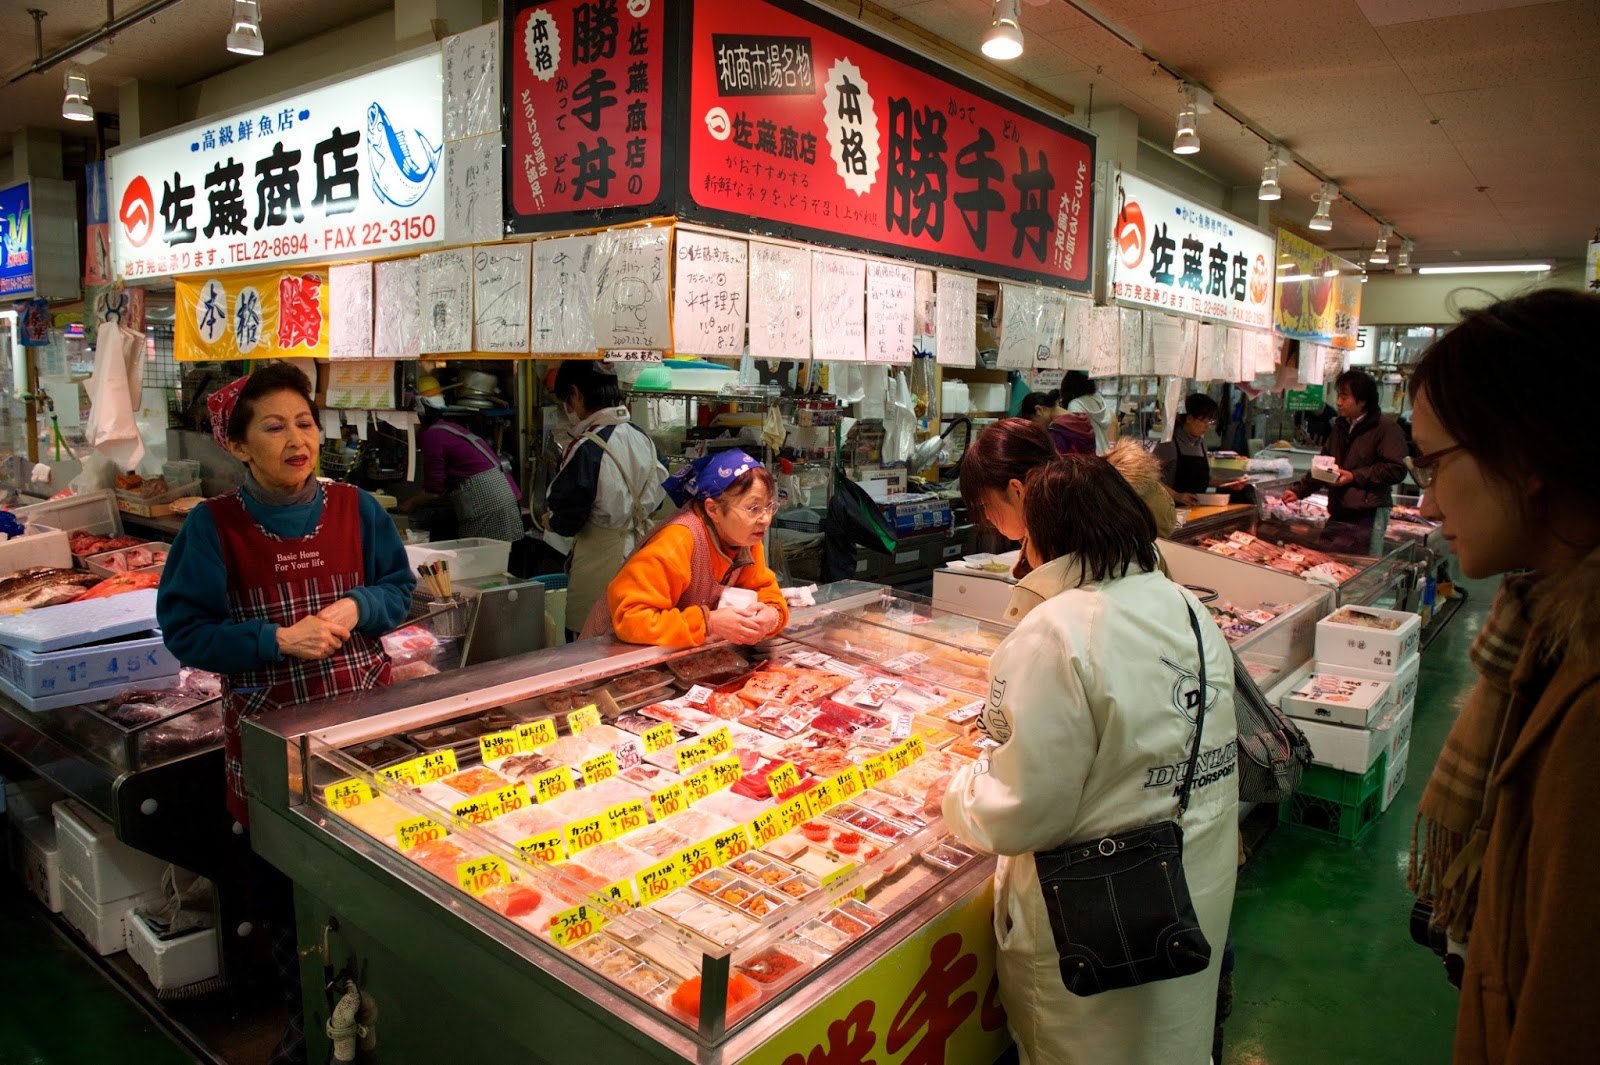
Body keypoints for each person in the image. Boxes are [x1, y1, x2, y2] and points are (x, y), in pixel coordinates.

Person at [936, 455, 1239, 1064]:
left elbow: (1023, 814)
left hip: (1093, 917)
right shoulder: (1184, 604)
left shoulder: (1059, 630)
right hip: (1189, 883)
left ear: (1046, 536)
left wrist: (952, 792)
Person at [157, 364, 415, 1065]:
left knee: (375, 914)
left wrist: (360, 605)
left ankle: (371, 1036)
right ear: (238, 446)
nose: (297, 438)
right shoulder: (213, 529)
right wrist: (274, 639)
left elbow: (400, 588)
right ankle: (306, 1038)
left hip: (365, 745)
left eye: (305, 421)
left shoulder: (357, 509)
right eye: (274, 426)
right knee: (293, 917)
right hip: (274, 767)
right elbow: (185, 631)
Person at [1403, 289, 1600, 1065]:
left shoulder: (1587, 702)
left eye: (1435, 462)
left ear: (1524, 452)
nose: (1424, 499)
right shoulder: (1542, 636)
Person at [581, 448, 788, 646]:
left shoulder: (745, 538)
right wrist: (709, 623)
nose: (765, 519)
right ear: (713, 509)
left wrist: (772, 615)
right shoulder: (677, 541)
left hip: (673, 655)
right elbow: (631, 618)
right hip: (613, 656)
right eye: (753, 508)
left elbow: (763, 589)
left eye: (769, 506)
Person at [962, 419, 1175, 581]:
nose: (988, 516)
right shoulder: (1092, 512)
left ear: (1017, 490)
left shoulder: (1072, 545)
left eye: (985, 505)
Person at [544, 361, 667, 640]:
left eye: (566, 401)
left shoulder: (587, 446)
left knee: (590, 645)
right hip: (642, 557)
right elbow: (657, 499)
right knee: (634, 637)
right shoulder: (644, 440)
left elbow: (568, 519)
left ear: (574, 395)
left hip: (599, 568)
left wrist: (550, 522)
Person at [1281, 369, 1408, 554]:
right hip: (1339, 511)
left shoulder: (1387, 429)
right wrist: (1298, 491)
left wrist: (1354, 476)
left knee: (1358, 572)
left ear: (1363, 401)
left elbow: (1396, 469)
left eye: (1344, 396)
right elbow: (1323, 467)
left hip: (1369, 514)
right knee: (1327, 564)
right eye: (1338, 395)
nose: (1338, 402)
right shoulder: (1340, 426)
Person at [400, 390, 524, 542]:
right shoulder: (444, 428)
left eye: (401, 425)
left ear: (415, 420)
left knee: (480, 556)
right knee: (495, 555)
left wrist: (411, 502)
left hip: (487, 500)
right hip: (502, 493)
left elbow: (434, 490)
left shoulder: (431, 436)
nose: (401, 432)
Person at [1154, 393, 1220, 505]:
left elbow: (1201, 480)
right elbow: (1149, 478)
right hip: (1170, 509)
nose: (1207, 426)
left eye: (1210, 421)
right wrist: (1176, 495)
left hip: (1195, 508)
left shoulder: (1201, 445)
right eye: (1204, 421)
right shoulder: (1168, 444)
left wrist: (1229, 483)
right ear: (1189, 418)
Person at [1061, 370, 1115, 454]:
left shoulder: (1075, 405)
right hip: (1104, 456)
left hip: (1089, 459)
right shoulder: (1099, 399)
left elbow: (1076, 439)